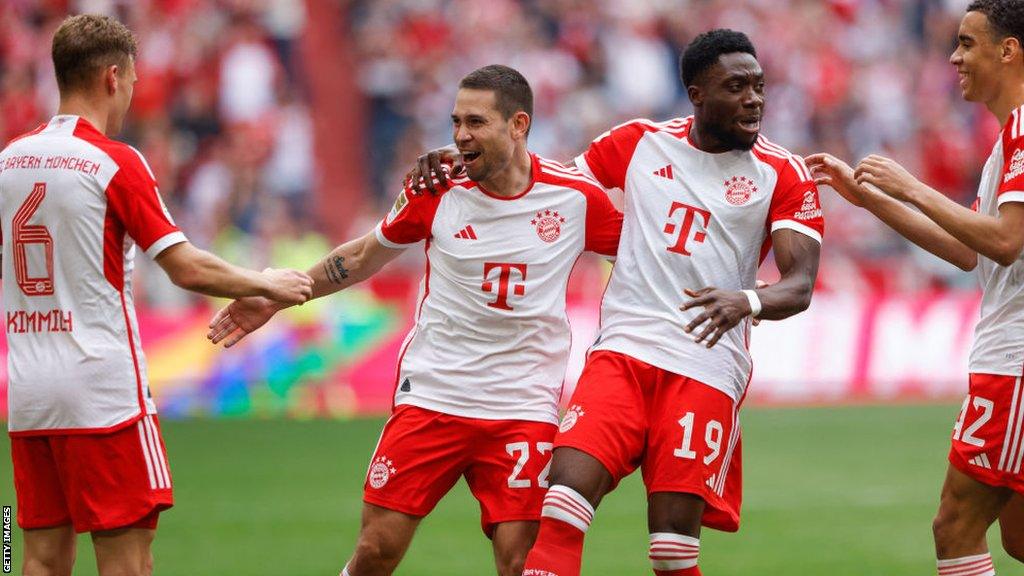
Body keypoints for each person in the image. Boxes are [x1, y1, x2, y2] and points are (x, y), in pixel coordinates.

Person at [414, 30, 824, 576]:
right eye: (737, 86)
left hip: (705, 365)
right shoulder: (639, 142)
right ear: (697, 94)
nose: (755, 99)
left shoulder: (784, 173)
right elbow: (546, 186)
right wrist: (475, 155)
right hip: (623, 354)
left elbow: (799, 285)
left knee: (672, 551)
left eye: (759, 86)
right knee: (560, 501)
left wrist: (745, 301)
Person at [206, 64, 622, 576]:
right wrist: (277, 295)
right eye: (456, 122)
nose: (461, 135)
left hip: (523, 406)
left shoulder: (575, 197)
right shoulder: (436, 190)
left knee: (522, 561)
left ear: (518, 125)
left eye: (476, 122)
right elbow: (363, 256)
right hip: (434, 394)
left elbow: (644, 255)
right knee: (376, 551)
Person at [0, 14, 314, 576]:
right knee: (128, 560)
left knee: (41, 559)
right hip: (102, 390)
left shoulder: (8, 162)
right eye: (135, 81)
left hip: (29, 389)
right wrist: (268, 283)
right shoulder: (115, 162)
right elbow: (185, 267)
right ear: (113, 77)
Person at [807, 1, 1024, 573]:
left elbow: (1005, 241)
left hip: (1016, 363)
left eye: (968, 44)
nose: (955, 57)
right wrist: (869, 197)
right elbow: (967, 250)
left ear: (1009, 49)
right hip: (1008, 355)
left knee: (955, 527)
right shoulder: (1007, 139)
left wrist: (909, 186)